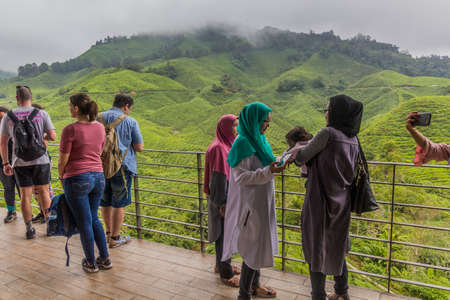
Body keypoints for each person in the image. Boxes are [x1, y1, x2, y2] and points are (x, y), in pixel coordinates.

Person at [289, 95, 363, 300]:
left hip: (320, 201)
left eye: (328, 109)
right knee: (337, 245)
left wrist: (298, 149)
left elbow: (301, 159)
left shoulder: (327, 134)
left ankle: (318, 295)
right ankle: (341, 292)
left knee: (316, 249)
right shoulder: (353, 138)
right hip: (342, 201)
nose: (326, 112)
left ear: (337, 113)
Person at [222, 102, 284, 300]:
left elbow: (266, 163)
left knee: (257, 245)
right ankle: (244, 295)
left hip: (262, 203)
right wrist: (269, 171)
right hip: (250, 206)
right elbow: (241, 177)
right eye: (265, 121)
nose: (267, 125)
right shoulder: (243, 143)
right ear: (254, 120)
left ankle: (254, 286)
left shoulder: (260, 140)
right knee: (252, 249)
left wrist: (278, 161)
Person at [58, 93, 111, 273]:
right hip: (98, 177)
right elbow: (100, 151)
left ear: (76, 108)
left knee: (84, 222)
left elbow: (63, 159)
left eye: (70, 105)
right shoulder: (100, 128)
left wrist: (61, 176)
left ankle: (90, 262)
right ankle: (105, 258)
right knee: (94, 218)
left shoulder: (70, 130)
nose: (68, 108)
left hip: (77, 178)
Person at [0, 86, 56, 239]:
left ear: (17, 99)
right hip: (41, 159)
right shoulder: (41, 113)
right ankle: (50, 227)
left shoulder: (8, 116)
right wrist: (40, 136)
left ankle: (29, 229)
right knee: (44, 192)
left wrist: (6, 163)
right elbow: (53, 136)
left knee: (25, 195)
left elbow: (3, 143)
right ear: (31, 98)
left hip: (19, 161)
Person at [100, 94, 144, 248]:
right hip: (122, 167)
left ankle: (107, 232)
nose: (129, 111)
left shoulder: (98, 117)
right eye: (129, 108)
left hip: (100, 165)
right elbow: (139, 147)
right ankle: (115, 237)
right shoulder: (130, 121)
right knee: (119, 203)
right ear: (126, 106)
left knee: (104, 201)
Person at [204, 114, 240, 287]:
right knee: (223, 235)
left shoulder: (225, 144)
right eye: (234, 126)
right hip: (221, 198)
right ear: (225, 127)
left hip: (223, 197)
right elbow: (218, 177)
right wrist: (222, 203)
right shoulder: (220, 148)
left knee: (225, 233)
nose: (237, 129)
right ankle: (226, 274)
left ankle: (221, 265)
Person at [30, 103, 54, 224]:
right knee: (37, 192)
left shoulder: (41, 128)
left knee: (46, 191)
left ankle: (50, 216)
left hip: (42, 161)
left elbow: (45, 145)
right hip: (38, 162)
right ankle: (43, 213)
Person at [0, 106, 19, 223]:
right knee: (8, 188)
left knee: (22, 188)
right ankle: (11, 211)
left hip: (17, 162)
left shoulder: (14, 126)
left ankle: (27, 212)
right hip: (2, 164)